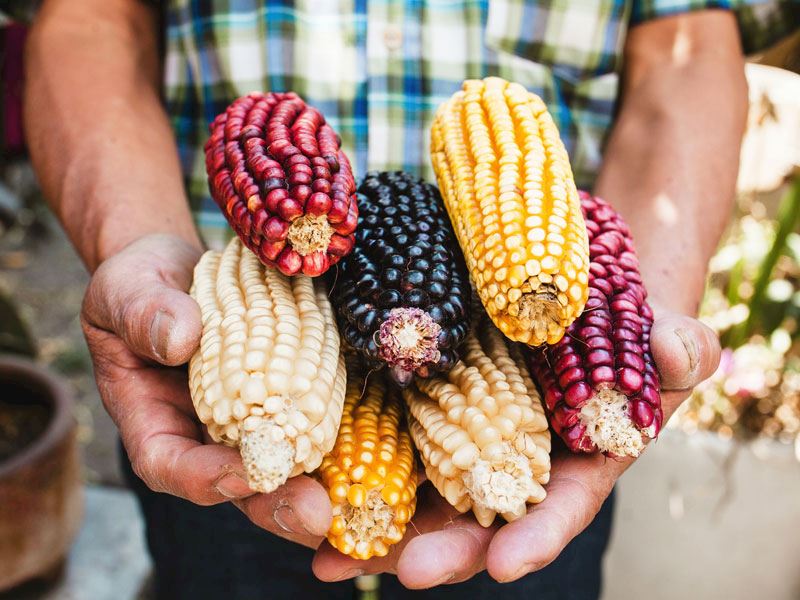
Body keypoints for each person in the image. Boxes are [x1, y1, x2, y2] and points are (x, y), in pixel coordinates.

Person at [21, 0, 795, 598]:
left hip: (524, 389)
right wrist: (131, 240)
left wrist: (629, 303)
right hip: (213, 362)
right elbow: (90, 21)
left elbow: (685, 52)